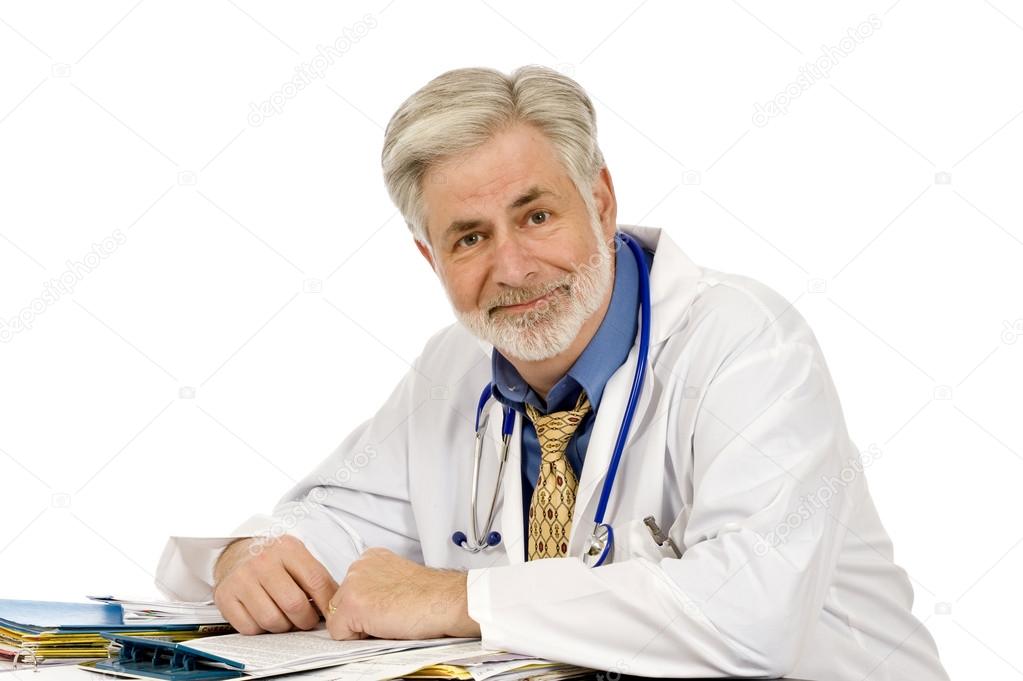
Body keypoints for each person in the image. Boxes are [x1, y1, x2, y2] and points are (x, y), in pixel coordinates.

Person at [155, 65, 950, 680]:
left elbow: (750, 613)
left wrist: (455, 597)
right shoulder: (454, 369)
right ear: (429, 258)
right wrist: (253, 555)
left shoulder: (746, 345)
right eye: (467, 238)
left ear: (600, 201)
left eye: (536, 215)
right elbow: (338, 518)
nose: (511, 266)